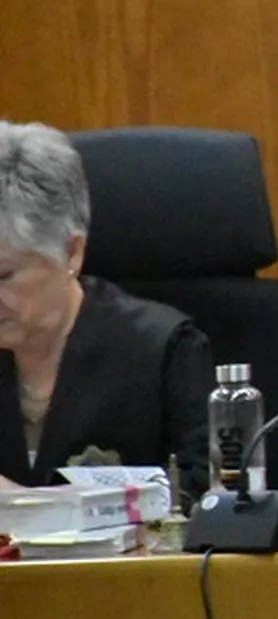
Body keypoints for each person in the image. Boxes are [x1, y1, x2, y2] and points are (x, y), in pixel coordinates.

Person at [0, 122, 212, 493]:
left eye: (4, 275)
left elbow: (205, 499)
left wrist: (27, 507)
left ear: (71, 252)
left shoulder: (163, 352)